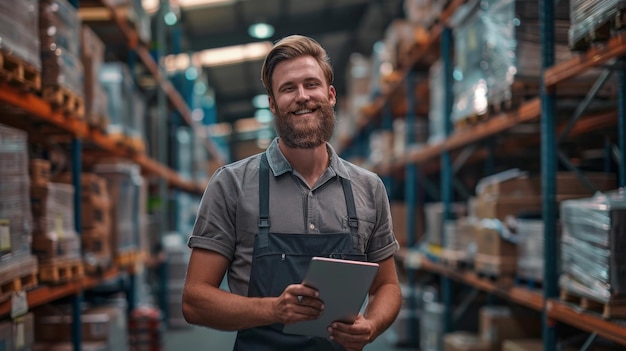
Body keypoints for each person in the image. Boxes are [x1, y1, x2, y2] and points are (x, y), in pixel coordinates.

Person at [182, 34, 402, 351]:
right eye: (288, 88)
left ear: (330, 95)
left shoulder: (368, 188)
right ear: (272, 103)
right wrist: (273, 310)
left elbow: (387, 285)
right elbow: (194, 300)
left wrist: (373, 324)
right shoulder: (232, 184)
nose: (302, 96)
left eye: (311, 84)